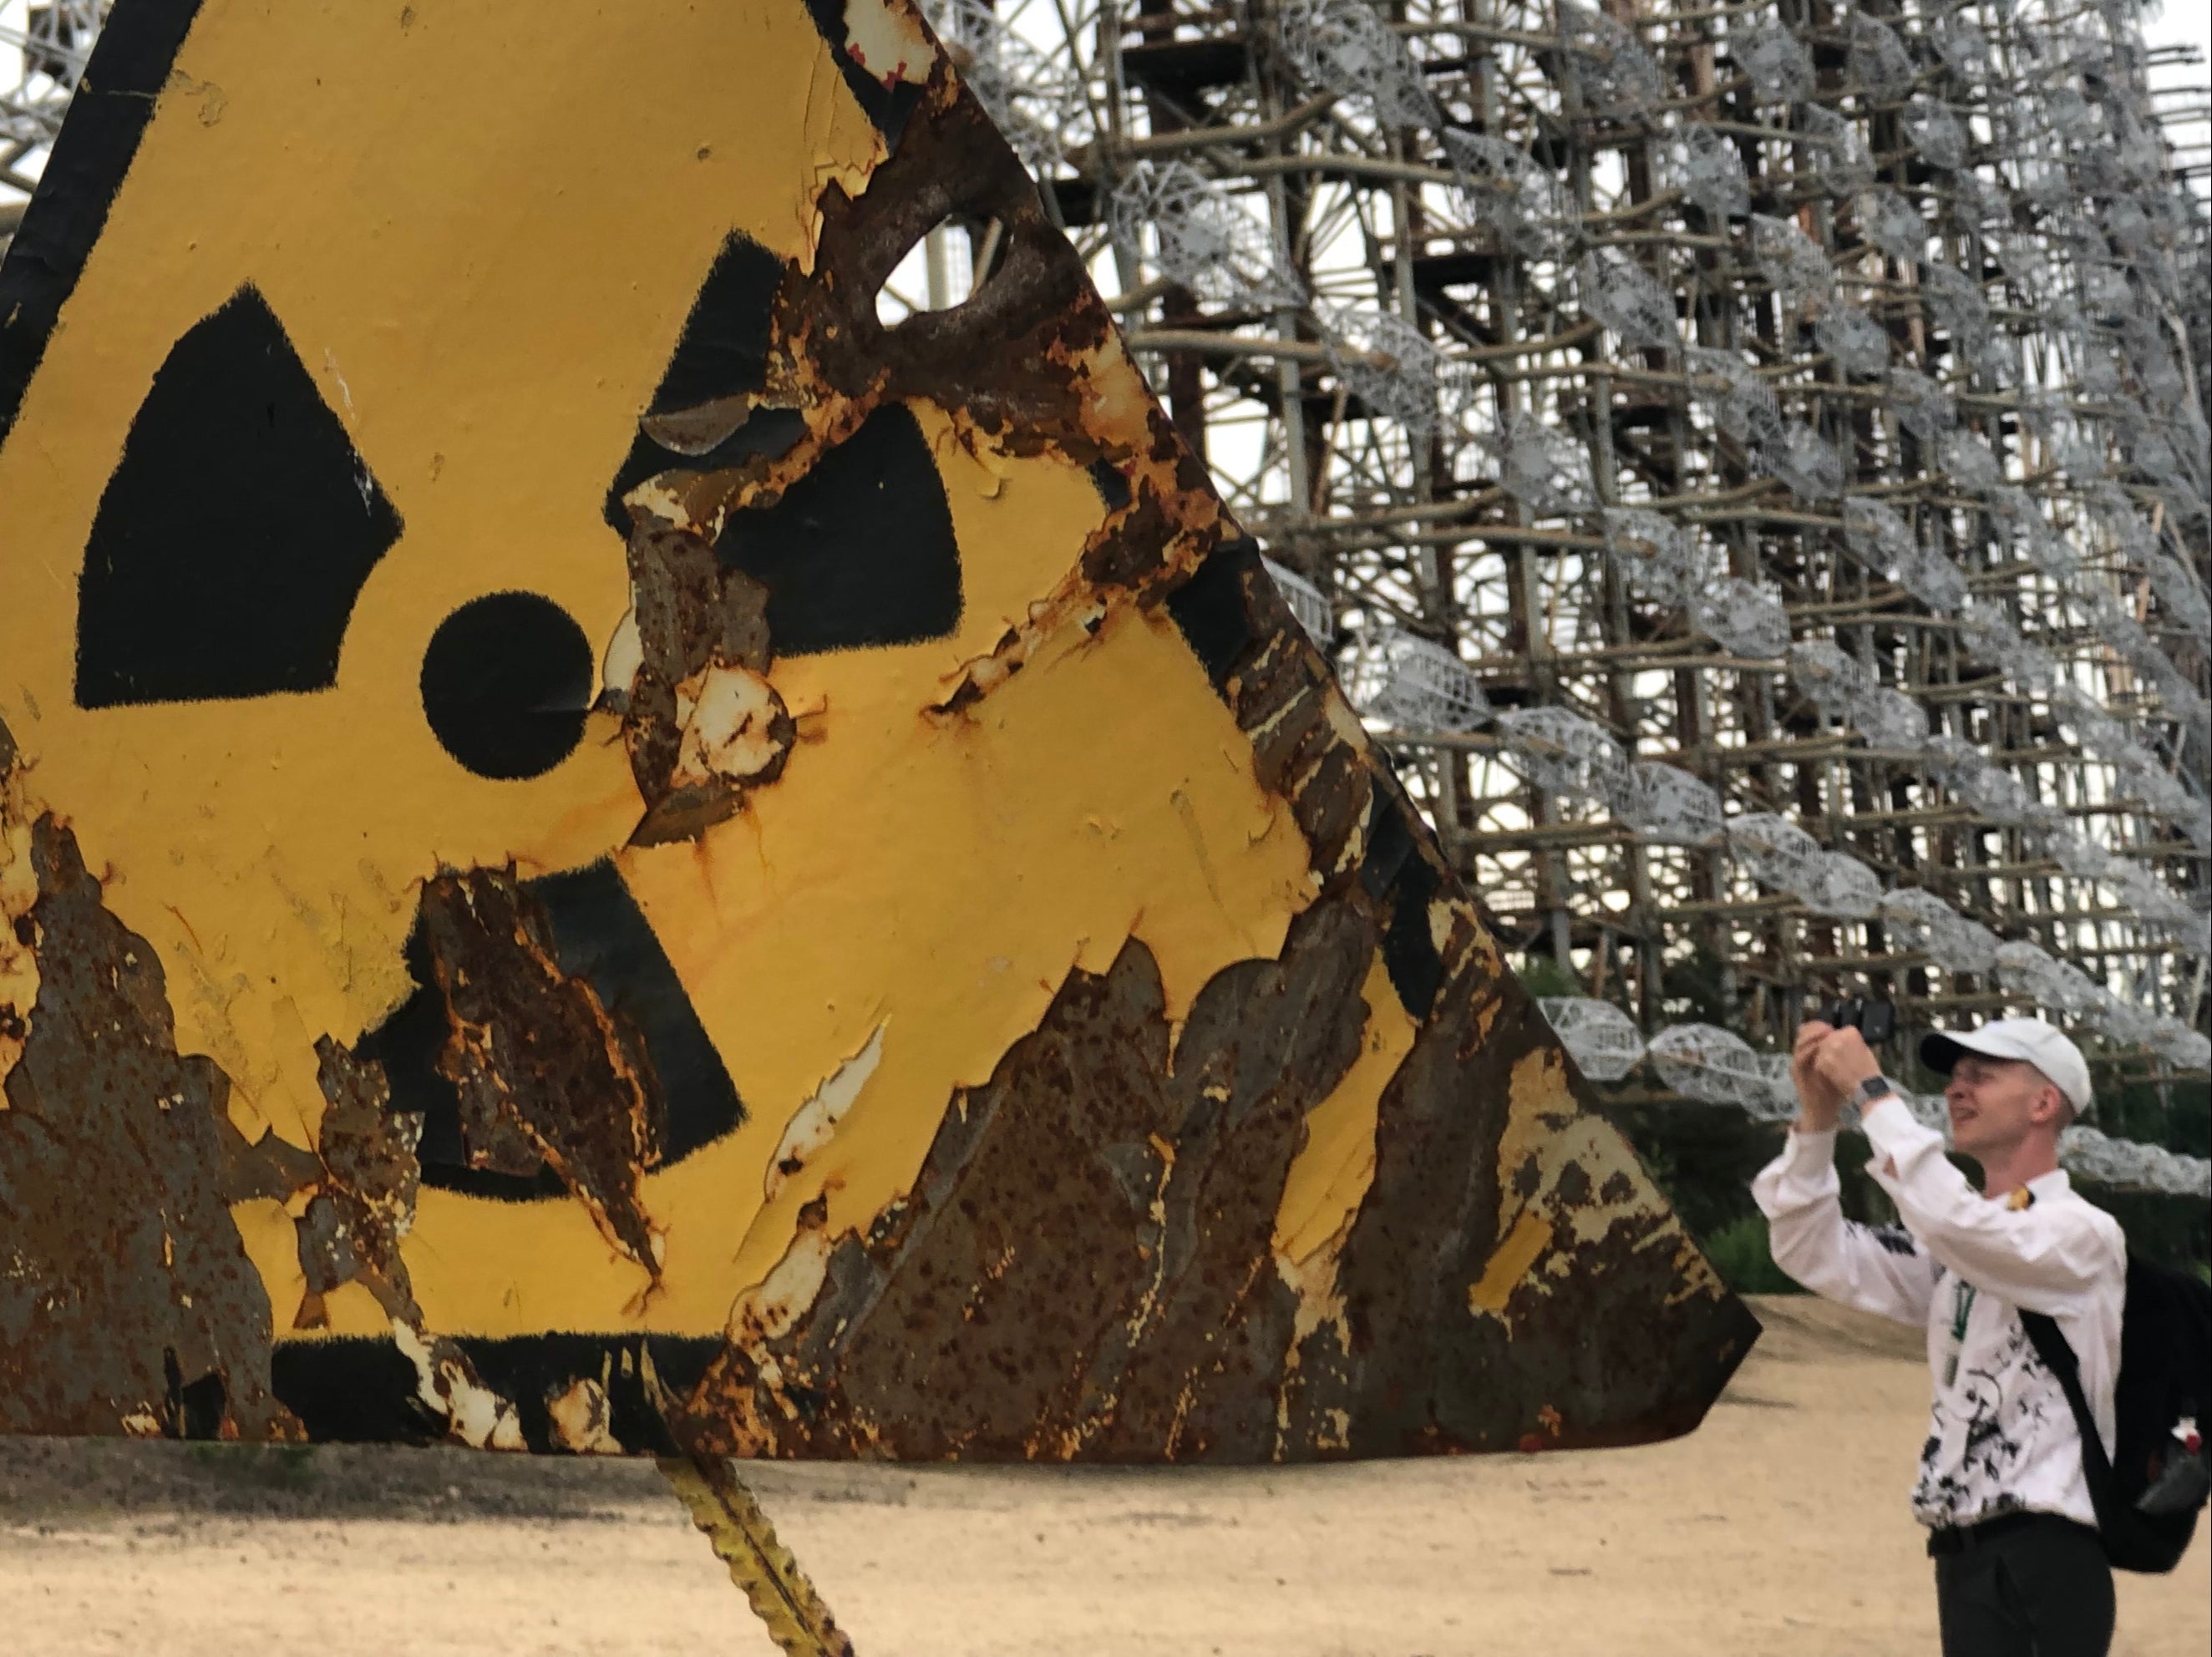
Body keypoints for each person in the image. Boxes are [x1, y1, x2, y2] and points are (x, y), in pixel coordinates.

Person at [1751, 1016, 2126, 1657]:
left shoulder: (2080, 1234)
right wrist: (1817, 1120)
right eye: (1954, 1077)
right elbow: (1812, 1249)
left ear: (2044, 1103)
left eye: (1982, 1075)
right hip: (1963, 1550)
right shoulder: (1963, 1248)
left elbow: (1962, 1226)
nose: (1958, 1090)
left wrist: (1872, 1093)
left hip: (2045, 1549)